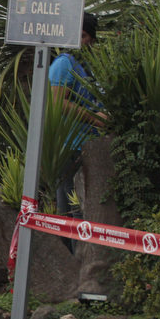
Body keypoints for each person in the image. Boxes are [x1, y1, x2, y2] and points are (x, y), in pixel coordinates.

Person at [49, 13, 108, 217]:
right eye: (75, 36)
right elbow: (57, 102)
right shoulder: (64, 63)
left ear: (92, 38)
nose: (78, 42)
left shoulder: (88, 64)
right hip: (69, 146)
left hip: (88, 145)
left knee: (82, 210)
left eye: (83, 36)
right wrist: (95, 119)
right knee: (74, 211)